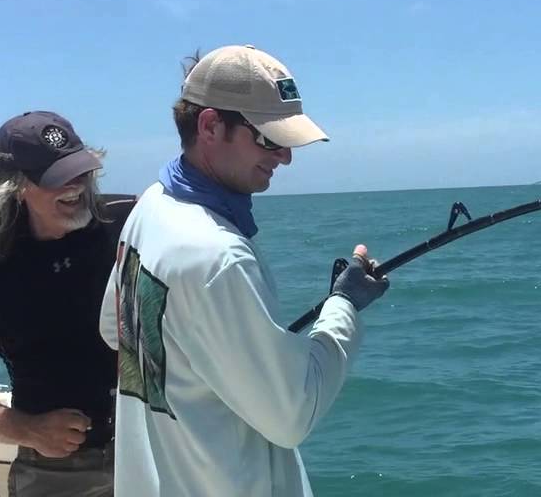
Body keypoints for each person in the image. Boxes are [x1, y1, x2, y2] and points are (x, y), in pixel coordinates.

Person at [99, 45, 390, 496]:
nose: (286, 157)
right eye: (270, 139)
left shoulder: (151, 207)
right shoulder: (218, 256)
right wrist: (344, 306)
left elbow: (113, 330)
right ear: (211, 125)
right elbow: (292, 415)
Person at [0, 110, 135, 497]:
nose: (75, 185)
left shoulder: (134, 222)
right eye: (56, 178)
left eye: (80, 170)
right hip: (59, 473)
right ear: (16, 186)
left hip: (157, 447)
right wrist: (28, 429)